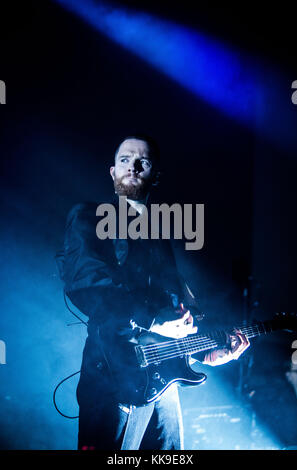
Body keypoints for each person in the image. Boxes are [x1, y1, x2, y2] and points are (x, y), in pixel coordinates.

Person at [56, 135, 250, 450]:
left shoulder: (159, 234)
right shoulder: (89, 217)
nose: (132, 167)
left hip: (162, 381)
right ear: (112, 172)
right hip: (114, 378)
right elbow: (87, 283)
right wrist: (152, 319)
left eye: (142, 162)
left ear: (155, 175)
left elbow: (176, 309)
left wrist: (205, 352)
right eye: (124, 160)